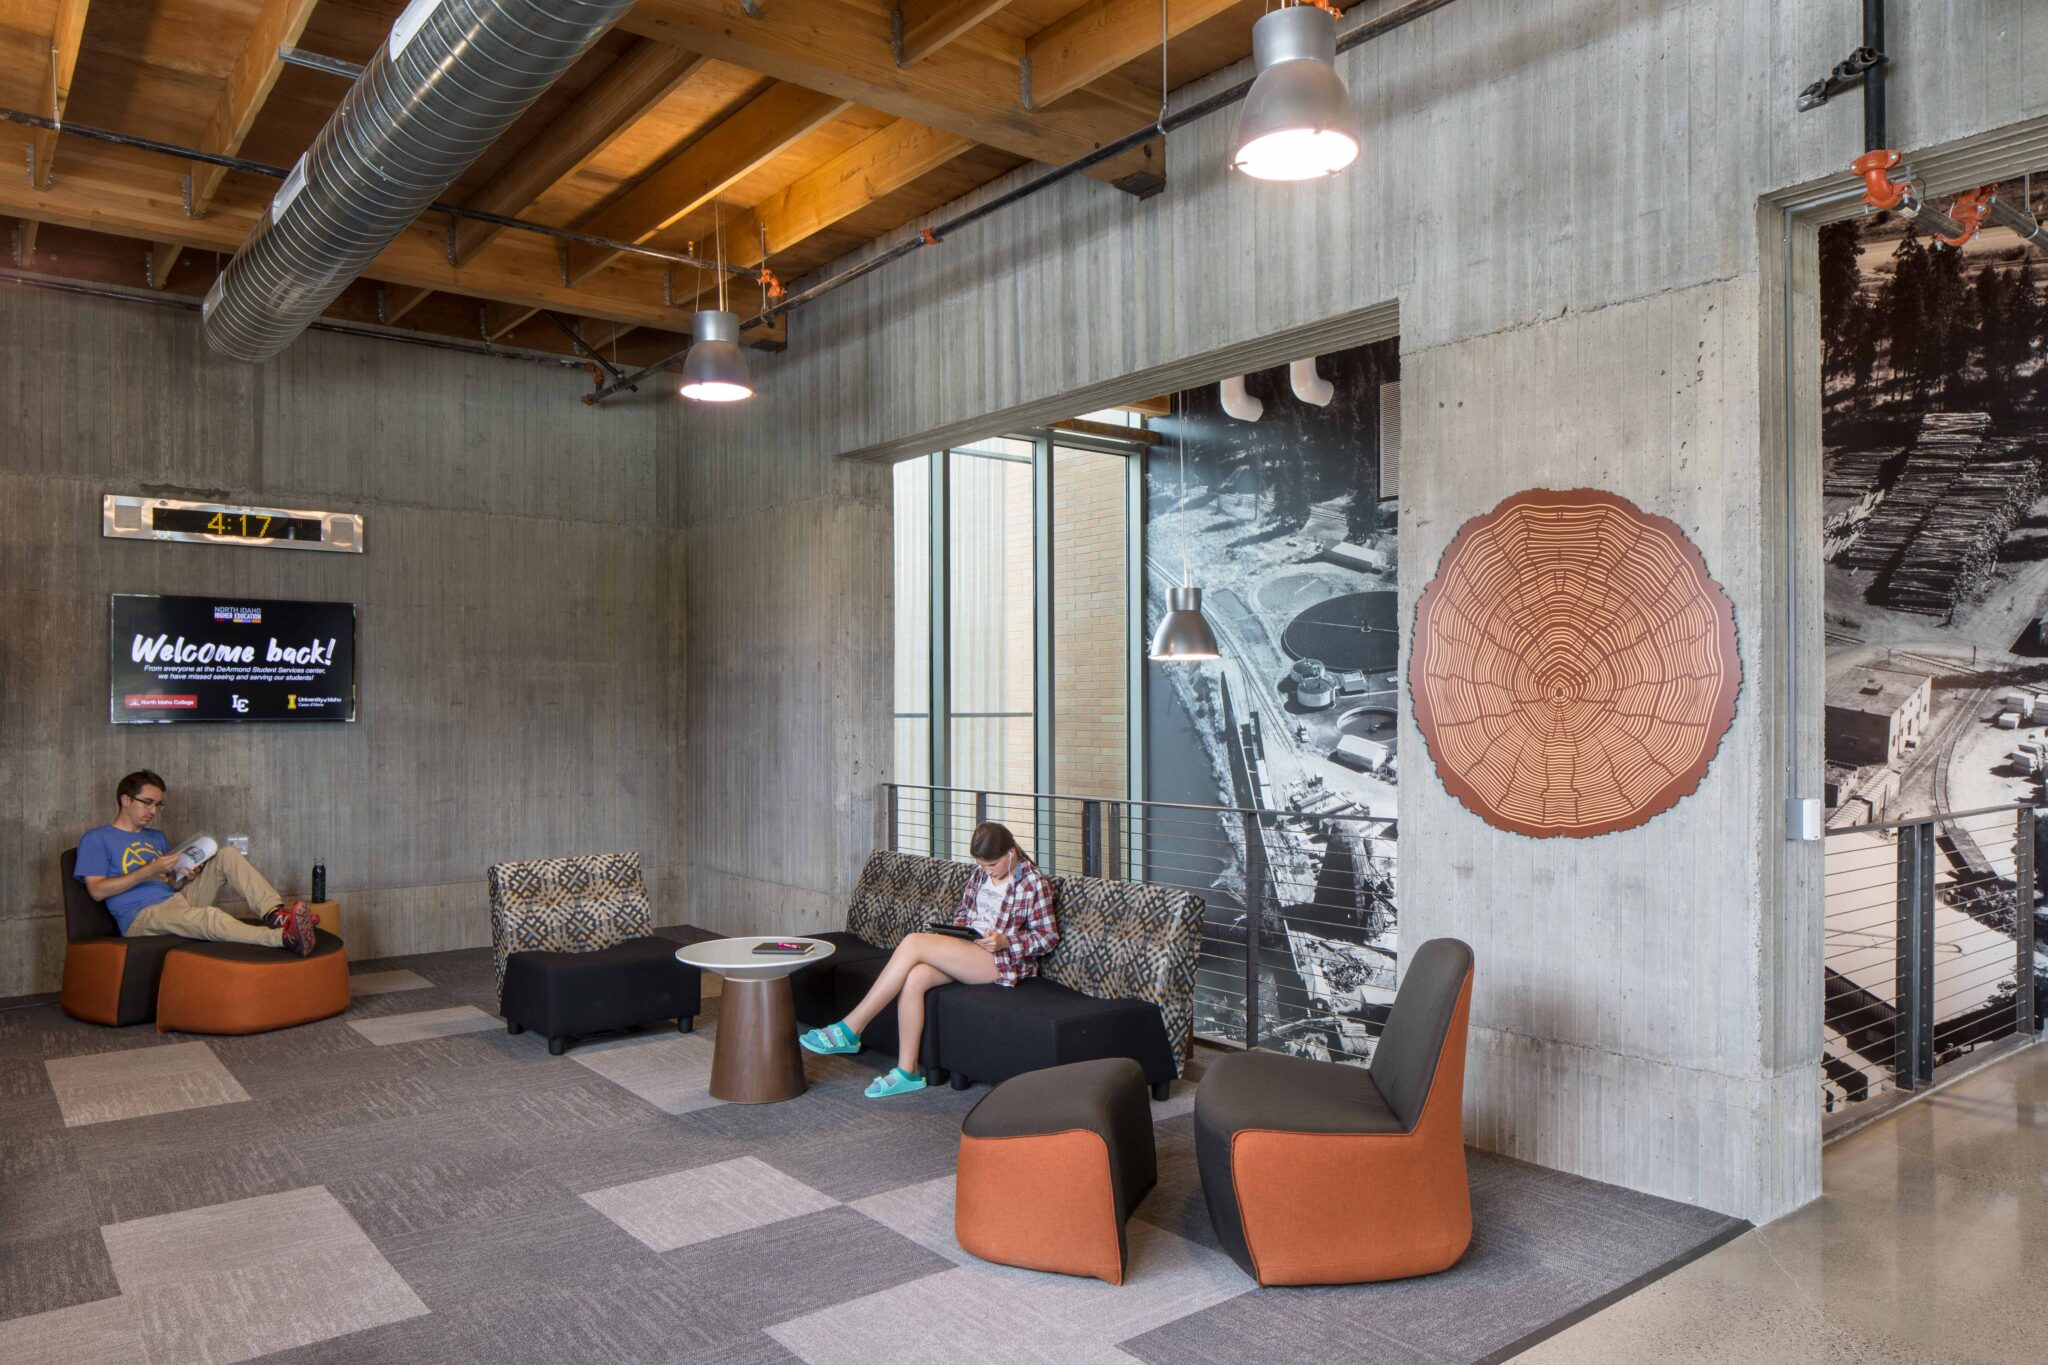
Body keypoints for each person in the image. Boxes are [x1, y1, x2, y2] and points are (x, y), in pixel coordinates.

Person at [799, 821, 1058, 1097]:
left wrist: (1006, 941)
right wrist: (959, 932)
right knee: (916, 977)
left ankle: (851, 1028)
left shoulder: (1033, 883)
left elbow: (1048, 937)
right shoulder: (980, 876)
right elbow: (964, 914)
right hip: (969, 949)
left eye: (992, 864)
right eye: (982, 865)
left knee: (913, 943)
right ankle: (907, 1071)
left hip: (1001, 961)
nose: (987, 871)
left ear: (1011, 852)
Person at [75, 770, 319, 955]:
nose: (153, 811)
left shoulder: (156, 837)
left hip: (175, 901)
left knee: (227, 855)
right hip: (140, 917)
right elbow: (97, 891)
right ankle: (283, 938)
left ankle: (275, 914)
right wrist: (148, 870)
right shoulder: (97, 838)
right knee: (209, 917)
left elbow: (167, 884)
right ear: (126, 800)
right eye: (147, 802)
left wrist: (183, 876)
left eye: (158, 804)